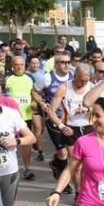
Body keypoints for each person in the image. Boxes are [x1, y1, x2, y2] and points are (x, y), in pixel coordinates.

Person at [33, 51, 75, 188]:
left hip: (72, 119)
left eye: (68, 62)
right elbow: (34, 91)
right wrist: (41, 103)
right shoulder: (47, 78)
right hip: (54, 119)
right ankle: (65, 184)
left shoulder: (74, 76)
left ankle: (56, 162)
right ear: (56, 64)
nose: (66, 65)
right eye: (63, 62)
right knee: (63, 152)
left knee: (71, 153)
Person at [6, 55, 38, 180]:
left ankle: (27, 168)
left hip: (26, 116)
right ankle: (9, 170)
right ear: (12, 66)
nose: (19, 67)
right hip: (10, 118)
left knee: (26, 144)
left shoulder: (29, 78)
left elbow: (33, 93)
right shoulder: (8, 79)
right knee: (9, 144)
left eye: (22, 65)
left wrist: (35, 102)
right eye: (17, 64)